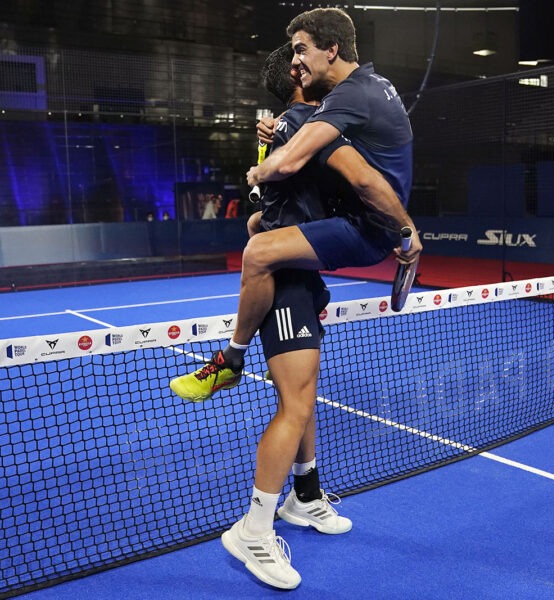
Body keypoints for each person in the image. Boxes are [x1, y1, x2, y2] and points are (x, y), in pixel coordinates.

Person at [170, 7, 421, 403]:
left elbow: (307, 166)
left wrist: (257, 172)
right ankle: (315, 292)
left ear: (332, 49)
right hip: (368, 216)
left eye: (301, 50)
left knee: (258, 251)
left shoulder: (350, 95)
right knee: (258, 224)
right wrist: (282, 124)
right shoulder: (374, 84)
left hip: (369, 226)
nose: (296, 61)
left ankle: (231, 361)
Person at [217, 43, 355, 591]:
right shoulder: (302, 124)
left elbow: (267, 208)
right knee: (295, 404)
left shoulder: (286, 129)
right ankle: (253, 530)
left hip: (302, 274)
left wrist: (258, 219)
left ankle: (304, 496)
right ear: (299, 77)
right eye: (310, 63)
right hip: (286, 284)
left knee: (302, 397)